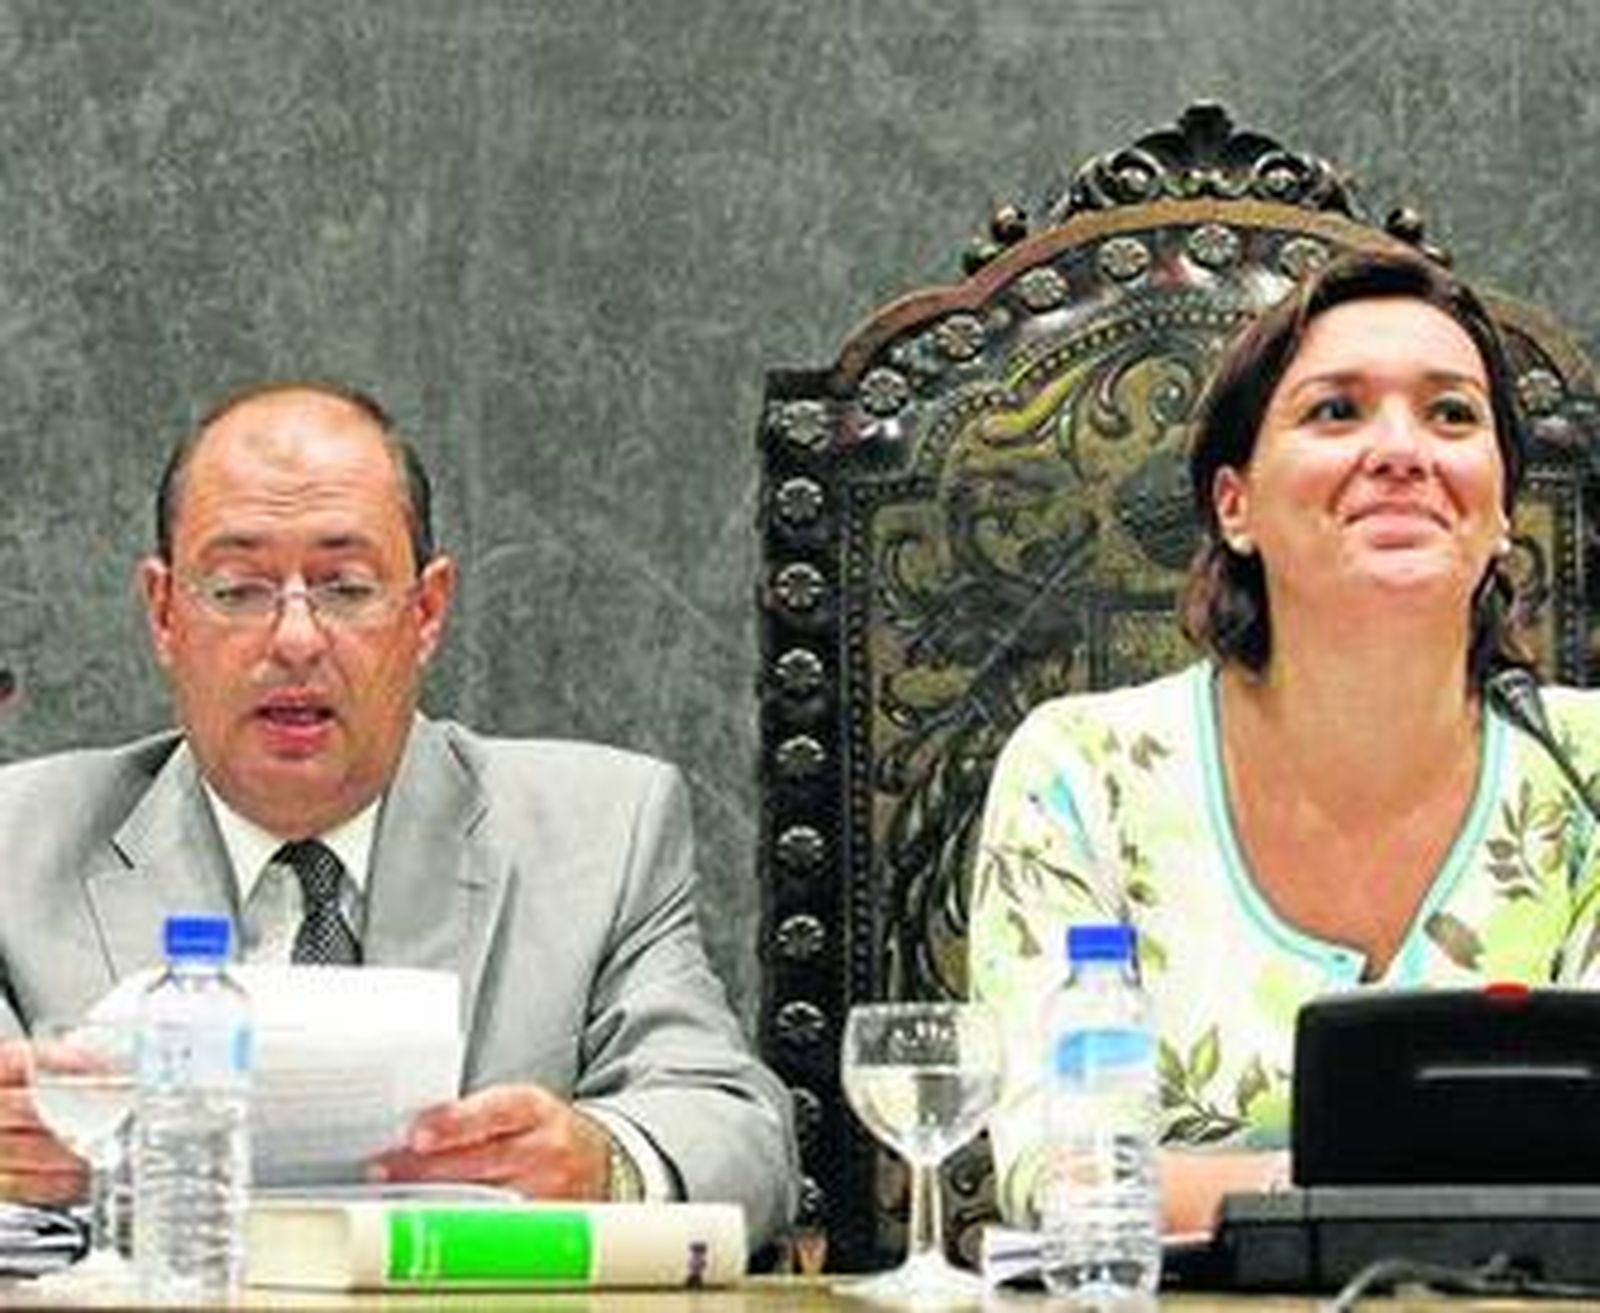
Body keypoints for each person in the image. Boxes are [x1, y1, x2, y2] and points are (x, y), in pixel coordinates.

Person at [0, 382, 797, 1248]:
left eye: (345, 588)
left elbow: (739, 1133)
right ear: (163, 613)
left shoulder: (600, 832)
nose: (296, 639)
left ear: (426, 610)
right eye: (237, 590)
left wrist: (603, 1158)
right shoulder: (17, 845)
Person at [968, 249, 1600, 1237]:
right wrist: (1319, 1192)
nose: (1402, 449)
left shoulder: (1589, 775)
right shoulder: (1079, 777)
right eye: (1335, 411)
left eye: (1451, 414)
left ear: (1500, 511)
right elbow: (1059, 1169)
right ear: (1236, 506)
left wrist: (1294, 1191)